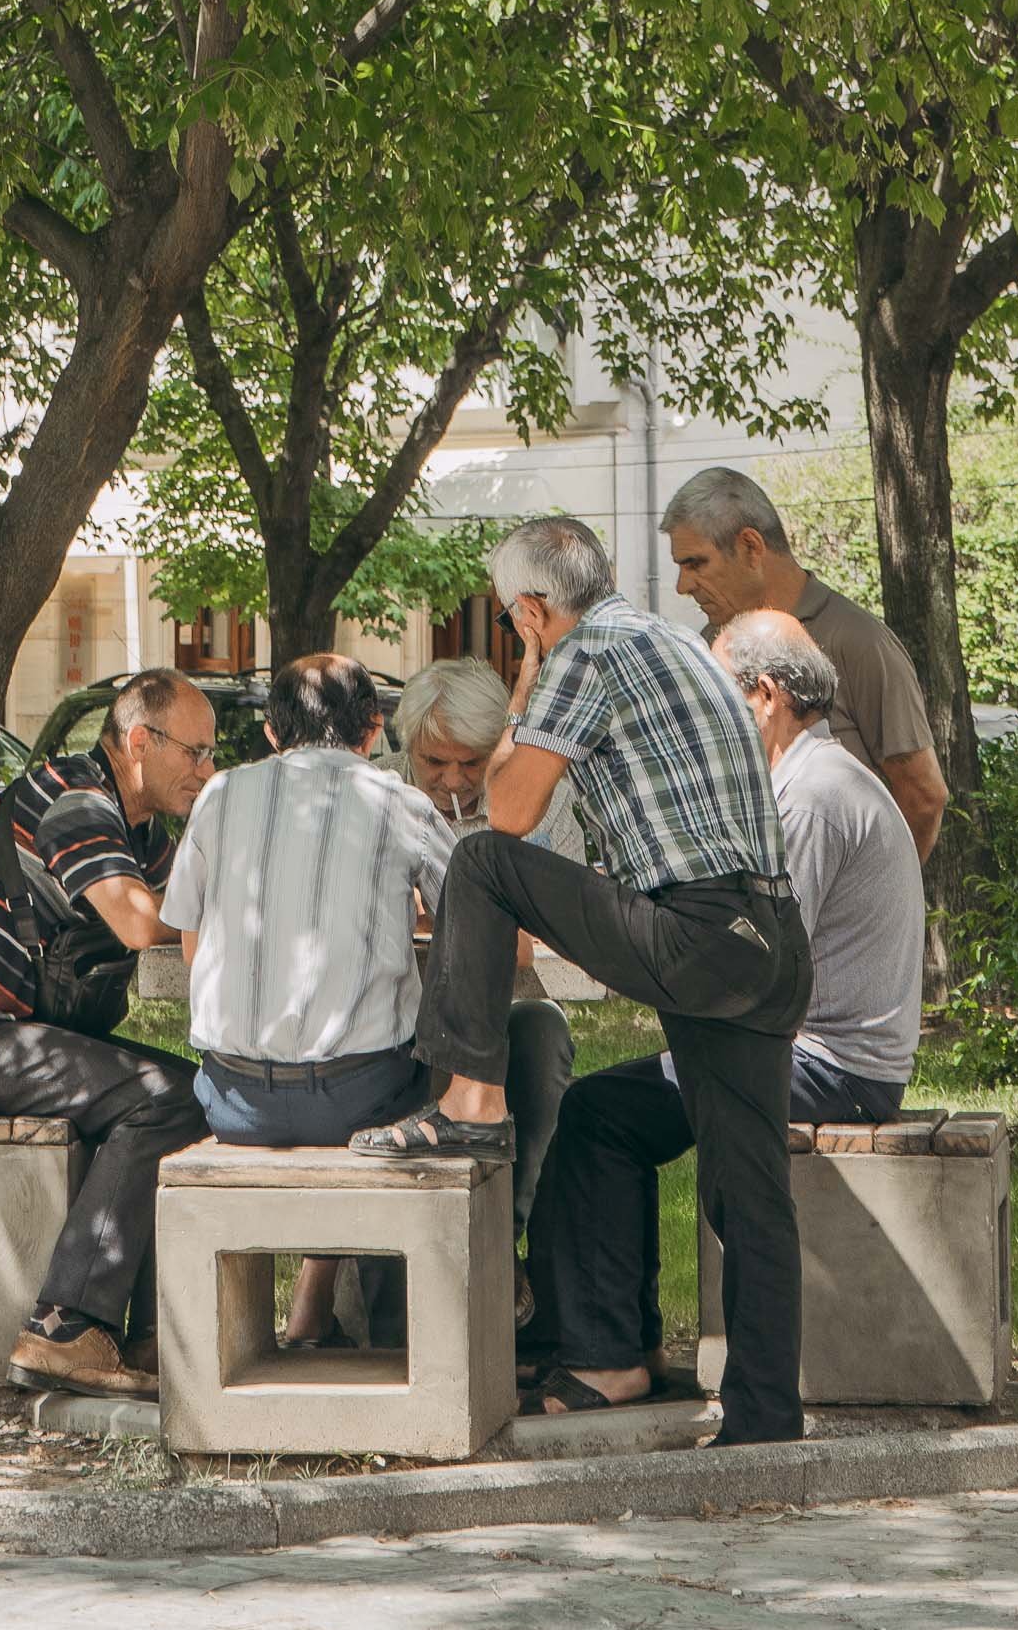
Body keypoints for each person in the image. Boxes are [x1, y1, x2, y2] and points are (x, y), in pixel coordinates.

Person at [351, 516, 812, 1445]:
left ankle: (470, 1100)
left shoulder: (585, 652)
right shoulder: (671, 641)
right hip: (768, 940)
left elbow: (510, 811)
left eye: (510, 616)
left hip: (694, 929)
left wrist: (526, 684)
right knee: (747, 1192)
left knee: (479, 862)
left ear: (530, 609)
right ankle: (766, 1419)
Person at [525, 610, 925, 1386]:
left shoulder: (808, 798)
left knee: (597, 1115)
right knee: (610, 1108)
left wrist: (631, 941)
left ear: (764, 697)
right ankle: (626, 1348)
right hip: (820, 1051)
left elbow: (752, 968)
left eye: (713, 693)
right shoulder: (817, 778)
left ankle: (611, 1360)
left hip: (832, 1068)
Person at [0, 668, 216, 1400]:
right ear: (141, 742)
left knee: (191, 1094)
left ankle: (143, 1339)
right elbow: (141, 923)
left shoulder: (142, 827)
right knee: (167, 1099)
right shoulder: (78, 801)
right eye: (197, 753)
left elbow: (186, 904)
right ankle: (64, 1326)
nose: (208, 770)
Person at [159, 652, 450, 1150]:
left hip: (233, 1102)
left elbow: (193, 949)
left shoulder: (219, 794)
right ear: (374, 728)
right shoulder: (403, 805)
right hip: (365, 1099)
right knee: (468, 1069)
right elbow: (476, 923)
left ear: (272, 732)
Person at [385, 656, 580, 1252]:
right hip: (391, 1014)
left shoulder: (540, 793)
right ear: (407, 748)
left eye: (471, 761)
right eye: (434, 762)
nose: (451, 780)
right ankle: (396, 1262)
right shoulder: (382, 790)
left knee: (542, 1030)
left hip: (496, 1016)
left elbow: (563, 914)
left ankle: (503, 1238)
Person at [659, 466, 949, 862]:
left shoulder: (858, 641)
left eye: (696, 563)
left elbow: (923, 795)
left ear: (750, 547)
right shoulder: (713, 645)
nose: (682, 585)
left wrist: (871, 901)